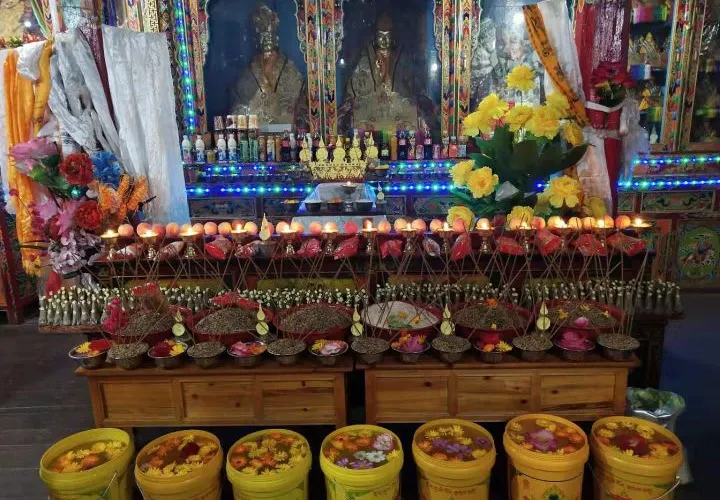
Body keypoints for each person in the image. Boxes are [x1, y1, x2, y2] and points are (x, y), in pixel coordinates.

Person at [229, 3, 307, 129]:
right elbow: (238, 109)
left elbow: (298, 107)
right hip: (255, 135)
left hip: (285, 134)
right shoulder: (248, 73)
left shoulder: (290, 71)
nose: (268, 56)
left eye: (271, 54)